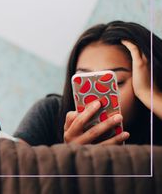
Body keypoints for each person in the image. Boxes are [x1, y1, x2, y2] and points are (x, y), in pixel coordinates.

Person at [14, 21, 162, 145]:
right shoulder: (50, 112)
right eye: (83, 82)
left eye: (116, 82)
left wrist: (149, 94)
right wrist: (70, 157)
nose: (96, 100)